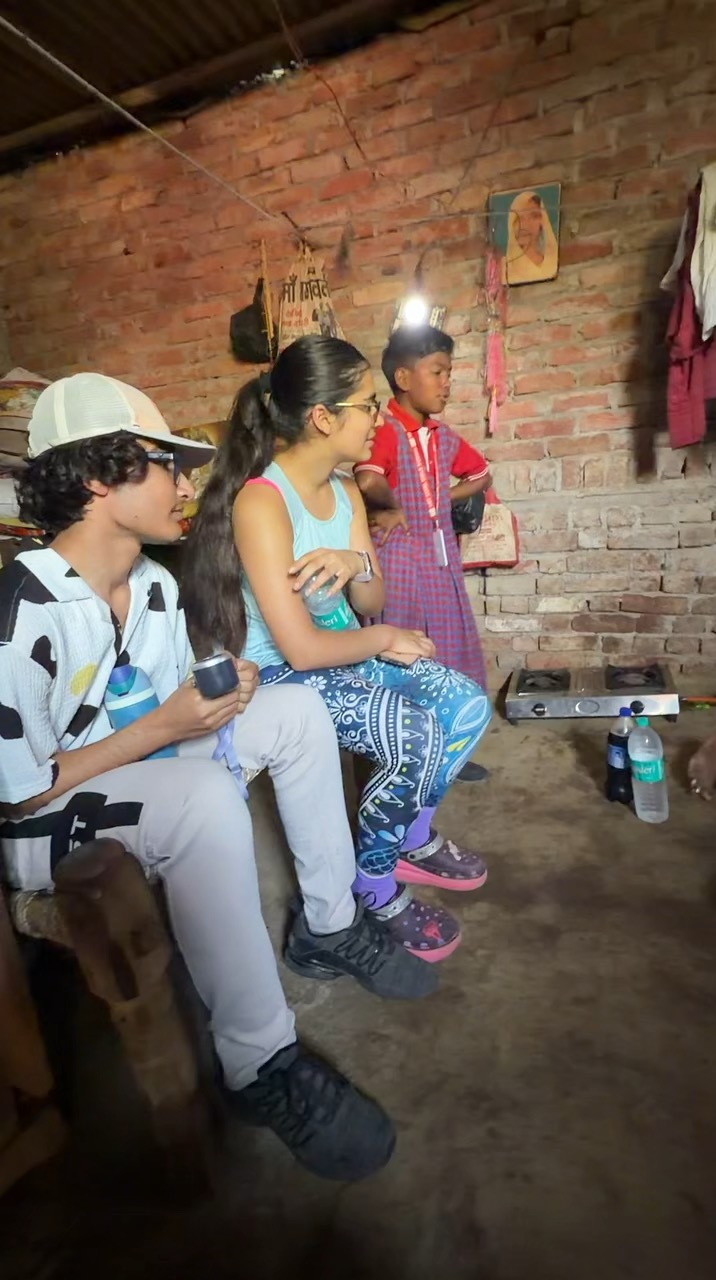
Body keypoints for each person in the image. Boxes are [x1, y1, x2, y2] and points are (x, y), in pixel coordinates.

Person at [0, 372, 438, 1184]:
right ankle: (260, 1061)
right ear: (99, 478)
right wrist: (164, 726)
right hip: (49, 815)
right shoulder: (26, 604)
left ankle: (331, 922)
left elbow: (179, 705)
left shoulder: (158, 587)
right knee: (202, 799)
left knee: (293, 710)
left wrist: (226, 686)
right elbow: (16, 788)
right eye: (163, 463)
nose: (185, 481)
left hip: (147, 766)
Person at [182, 336, 493, 965]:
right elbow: (298, 650)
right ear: (324, 417)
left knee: (464, 705)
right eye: (368, 405)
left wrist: (353, 561)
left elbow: (372, 599)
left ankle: (407, 837)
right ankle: (374, 885)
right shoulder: (261, 502)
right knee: (414, 735)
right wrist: (381, 640)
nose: (377, 418)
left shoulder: (348, 490)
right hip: (281, 674)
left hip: (342, 649)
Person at [353, 325, 491, 783]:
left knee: (448, 647)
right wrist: (393, 506)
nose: (447, 382)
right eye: (438, 371)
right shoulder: (386, 429)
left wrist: (438, 500)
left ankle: (450, 749)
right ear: (404, 377)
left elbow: (482, 474)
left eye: (449, 372)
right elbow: (367, 477)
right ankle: (405, 756)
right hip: (399, 563)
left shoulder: (443, 436)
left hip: (440, 558)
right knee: (406, 650)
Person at [505, 190, 559, 285]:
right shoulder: (500, 270)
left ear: (542, 222)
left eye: (534, 216)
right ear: (511, 223)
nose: (525, 225)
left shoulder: (554, 262)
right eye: (519, 218)